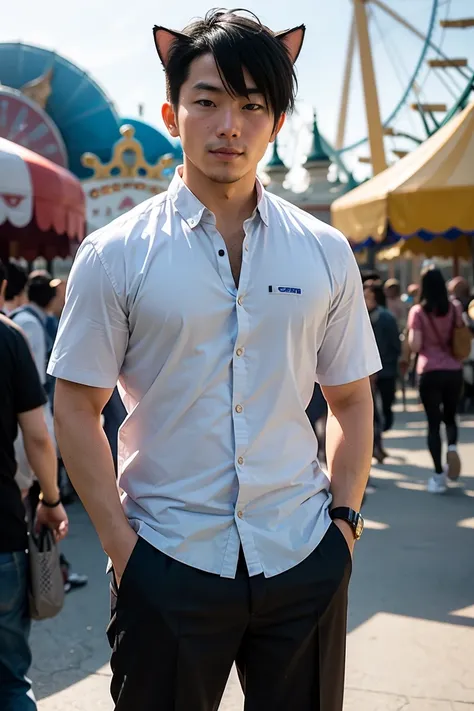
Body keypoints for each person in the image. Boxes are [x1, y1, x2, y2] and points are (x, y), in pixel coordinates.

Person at [49, 10, 381, 711]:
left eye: (252, 104)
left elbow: (351, 398)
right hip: (167, 558)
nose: (229, 124)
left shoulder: (324, 252)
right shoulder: (115, 255)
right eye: (208, 100)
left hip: (302, 557)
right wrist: (121, 546)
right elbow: (75, 407)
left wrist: (343, 530)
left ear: (277, 122)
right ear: (173, 113)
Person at [0, 259, 69, 710]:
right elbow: (39, 435)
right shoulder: (9, 338)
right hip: (1, 531)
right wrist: (51, 498)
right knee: (9, 682)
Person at [408, 266, 464, 494]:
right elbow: (461, 335)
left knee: (433, 423)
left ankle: (439, 474)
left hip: (429, 370)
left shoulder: (418, 312)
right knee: (450, 416)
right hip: (453, 369)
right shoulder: (455, 307)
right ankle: (452, 445)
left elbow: (415, 345)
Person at [364, 283, 401, 435]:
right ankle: (376, 435)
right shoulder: (358, 317)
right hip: (367, 371)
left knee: (387, 402)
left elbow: (395, 344)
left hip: (386, 368)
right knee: (369, 407)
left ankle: (384, 423)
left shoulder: (386, 317)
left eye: (367, 297)